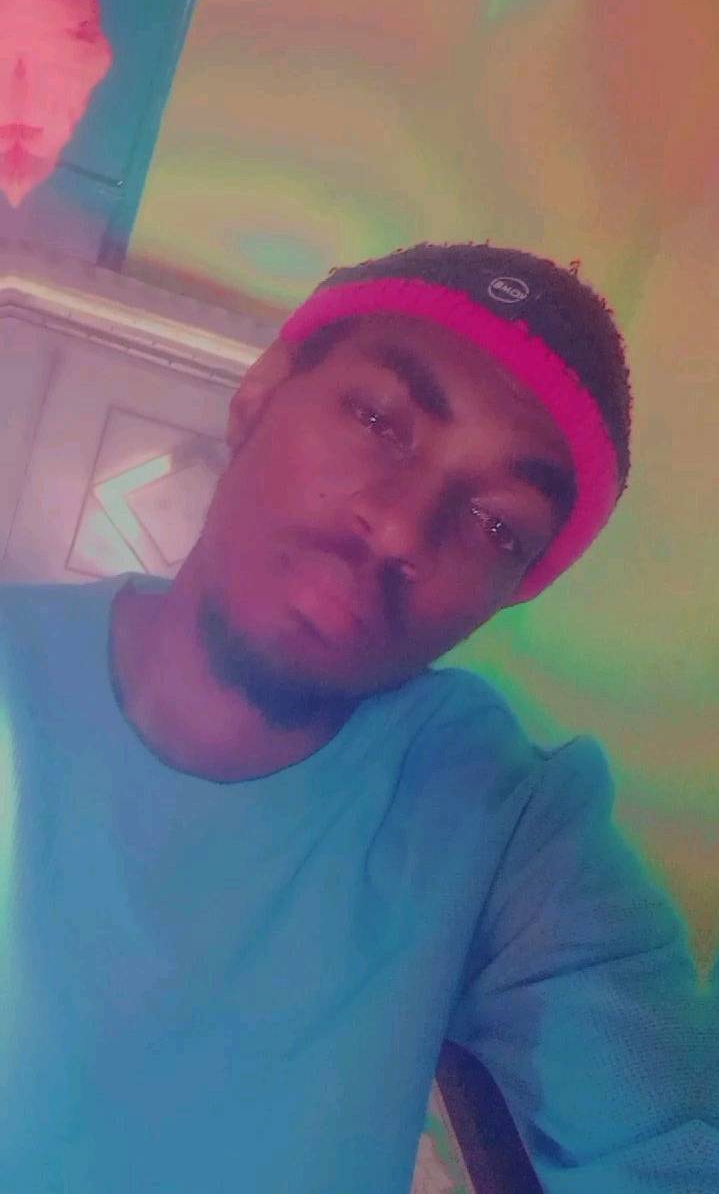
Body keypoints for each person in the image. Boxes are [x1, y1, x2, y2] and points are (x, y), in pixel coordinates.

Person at [0, 242, 708, 1192]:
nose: (404, 526)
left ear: (507, 594)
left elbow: (672, 1137)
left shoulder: (499, 822)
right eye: (378, 419)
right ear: (259, 394)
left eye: (498, 524)